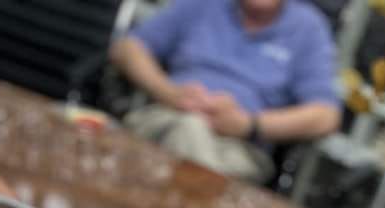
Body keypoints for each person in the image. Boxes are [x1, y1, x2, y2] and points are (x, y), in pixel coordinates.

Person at [111, 0, 341, 183]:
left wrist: (249, 124)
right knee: (189, 127)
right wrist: (168, 92)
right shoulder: (203, 4)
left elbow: (326, 116)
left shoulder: (308, 28)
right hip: (166, 119)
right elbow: (128, 47)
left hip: (239, 149)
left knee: (191, 136)